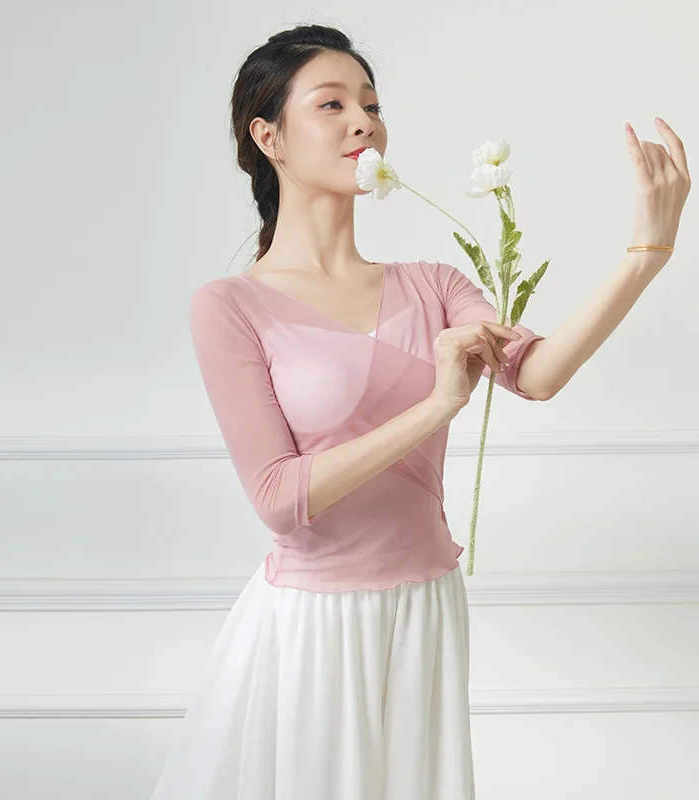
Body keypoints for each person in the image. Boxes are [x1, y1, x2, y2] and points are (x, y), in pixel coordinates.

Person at [150, 23, 548, 800]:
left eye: (370, 102)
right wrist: (437, 403)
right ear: (269, 137)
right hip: (314, 626)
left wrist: (648, 251)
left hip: (427, 607)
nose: (363, 121)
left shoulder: (432, 281)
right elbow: (279, 499)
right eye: (331, 104)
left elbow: (536, 374)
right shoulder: (230, 306)